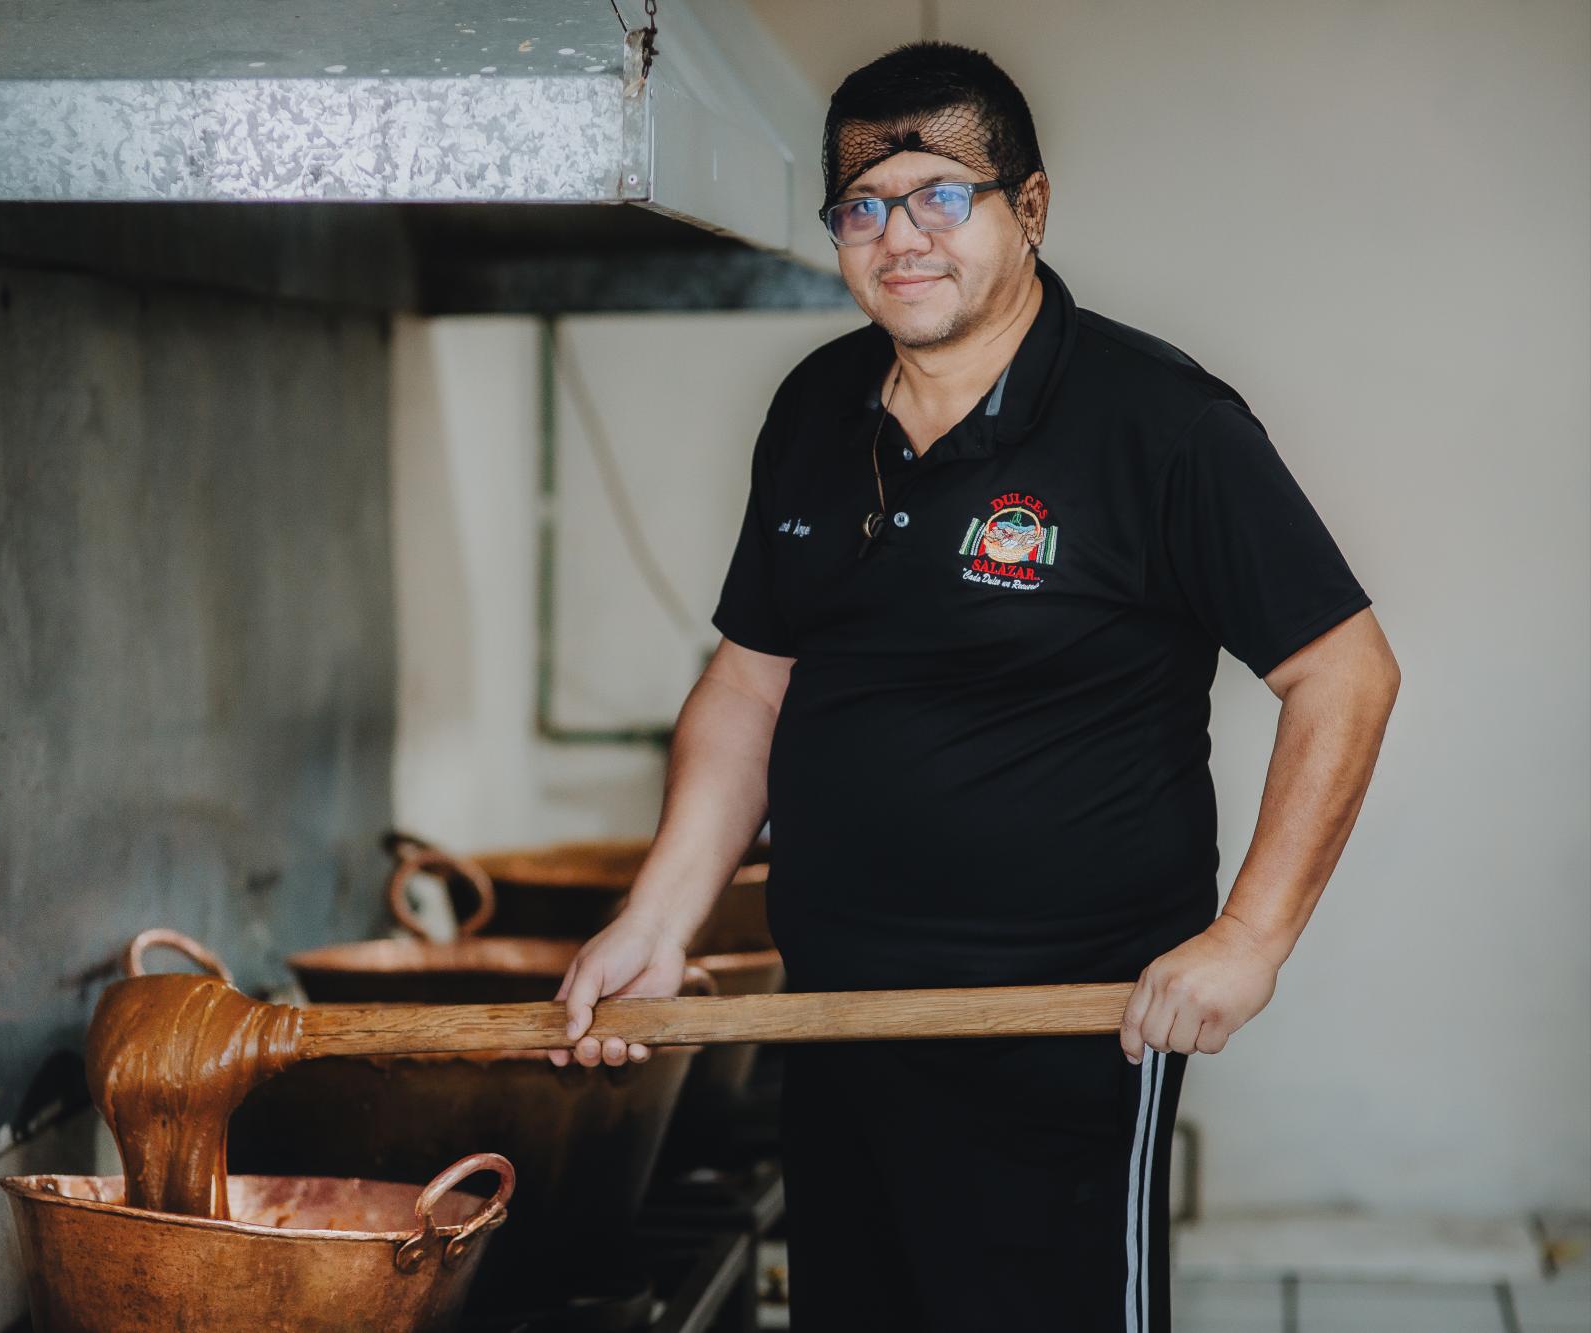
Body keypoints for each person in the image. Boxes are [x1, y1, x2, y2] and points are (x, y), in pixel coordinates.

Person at [546, 40, 1401, 1332]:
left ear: (1031, 209)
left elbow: (1344, 671)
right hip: (836, 1015)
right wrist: (661, 917)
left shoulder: (1160, 424)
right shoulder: (815, 410)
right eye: (864, 207)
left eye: (942, 194)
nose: (902, 236)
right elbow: (749, 685)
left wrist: (1249, 937)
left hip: (1065, 1027)